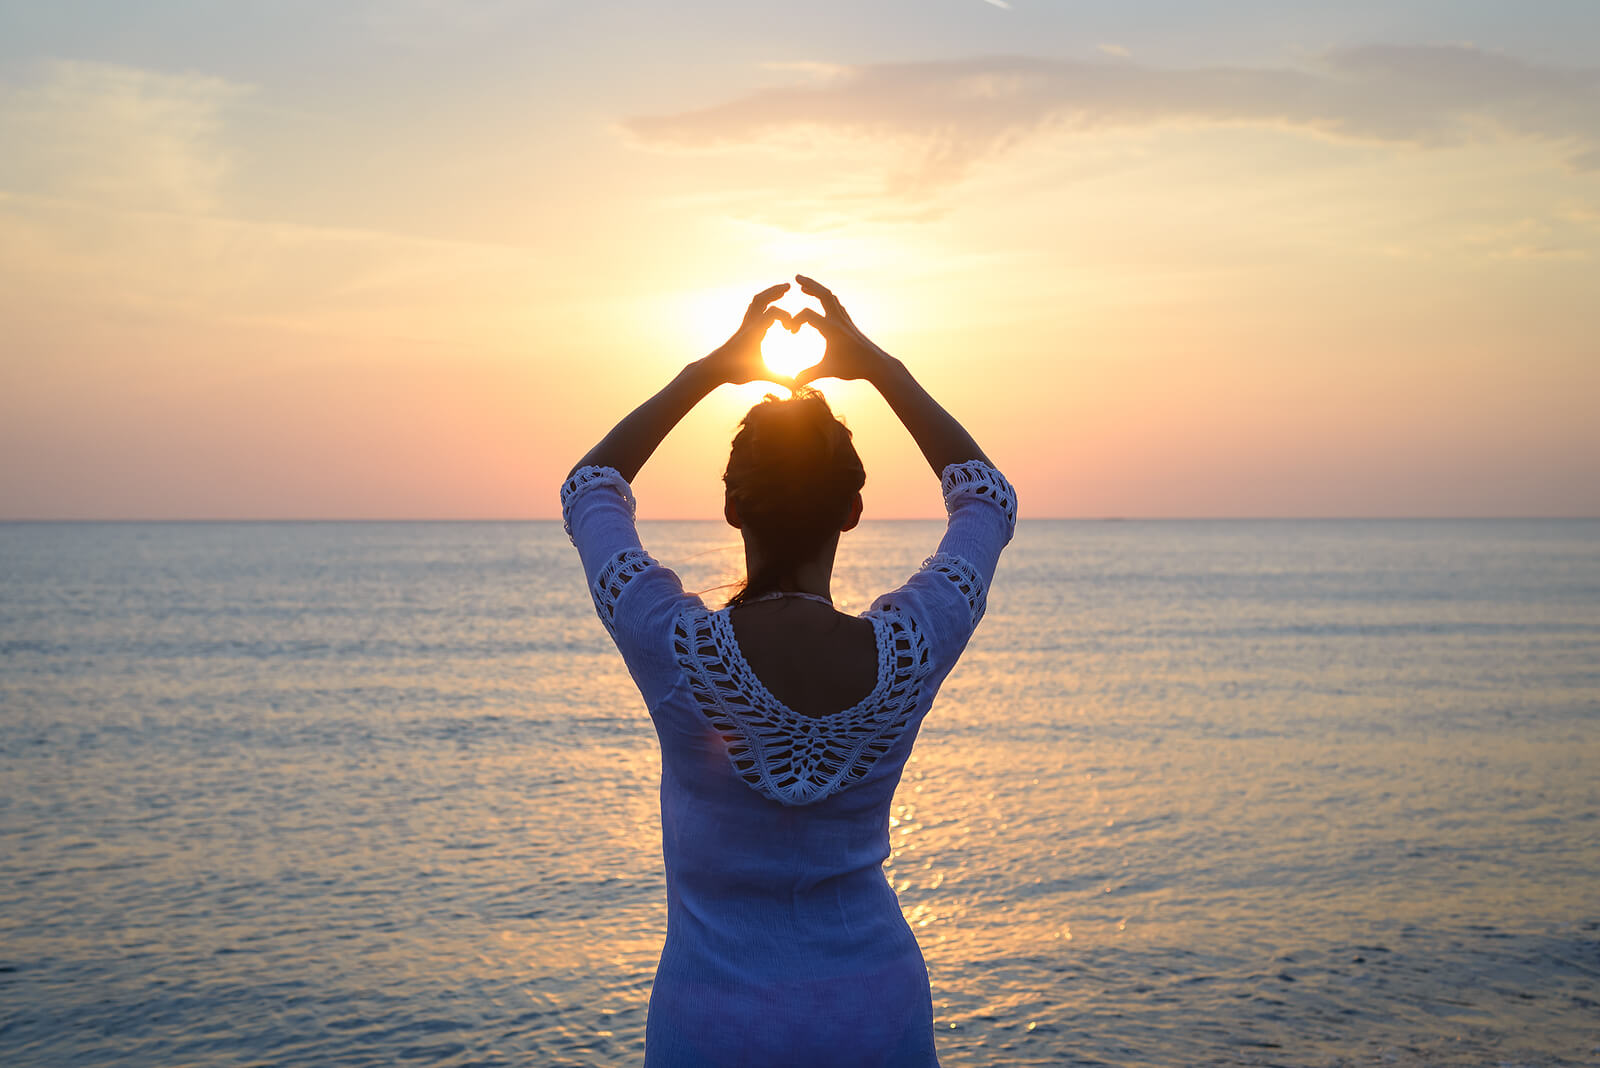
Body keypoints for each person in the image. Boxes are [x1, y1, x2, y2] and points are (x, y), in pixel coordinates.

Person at [561, 275, 1017, 1067]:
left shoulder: (674, 648)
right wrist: (880, 367)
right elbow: (986, 501)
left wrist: (711, 370)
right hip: (877, 1017)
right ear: (852, 511)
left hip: (711, 1027)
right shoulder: (912, 647)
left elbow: (590, 488)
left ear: (733, 508)